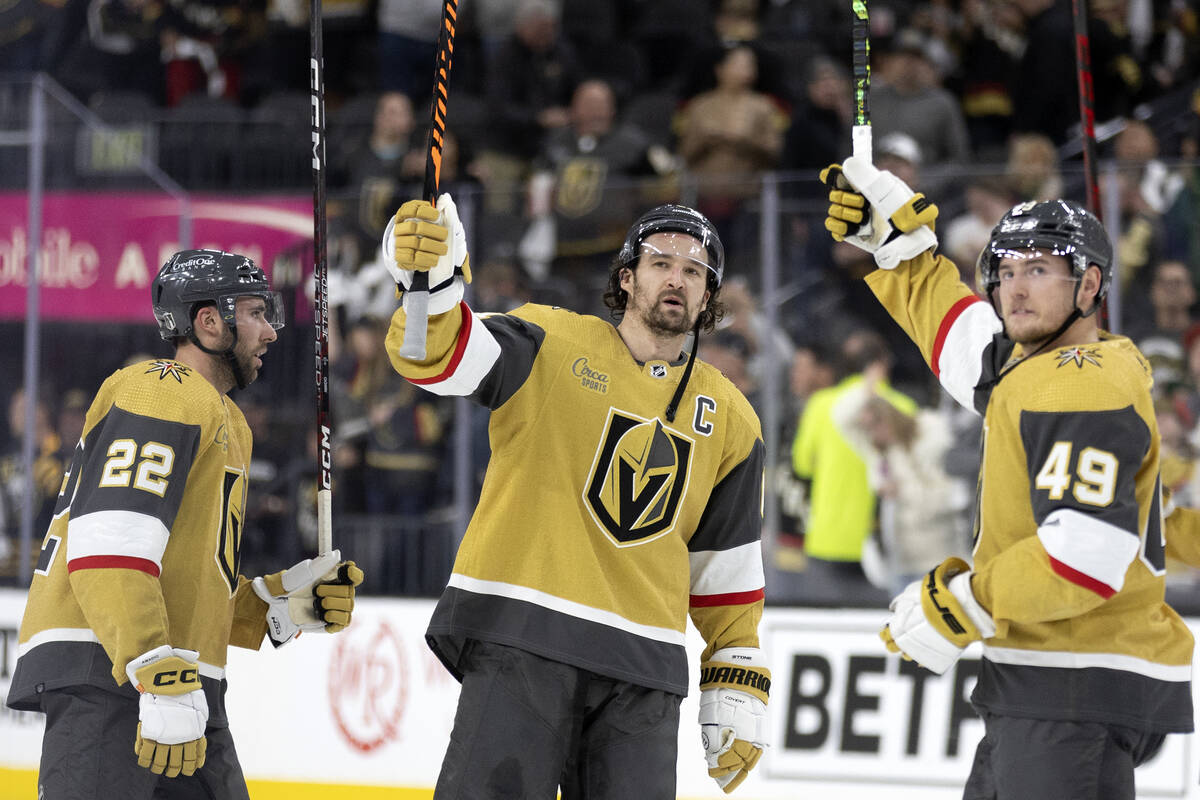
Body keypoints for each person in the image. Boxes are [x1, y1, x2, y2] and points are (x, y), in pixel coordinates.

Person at [822, 156, 1194, 797]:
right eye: (1006, 270)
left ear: (1089, 286)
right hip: (1047, 683)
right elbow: (963, 343)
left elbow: (1085, 557)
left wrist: (965, 602)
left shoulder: (1076, 384)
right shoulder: (1042, 370)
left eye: (1041, 270)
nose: (1015, 289)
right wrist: (898, 248)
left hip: (1070, 684)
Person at [381, 197, 770, 796]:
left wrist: (736, 669)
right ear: (626, 276)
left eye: (695, 272)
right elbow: (441, 361)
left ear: (709, 296)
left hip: (645, 667)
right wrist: (429, 288)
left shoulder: (734, 419)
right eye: (661, 262)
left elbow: (726, 568)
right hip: (524, 636)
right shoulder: (550, 340)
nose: (677, 278)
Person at [5, 249, 364, 796]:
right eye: (255, 313)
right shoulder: (161, 388)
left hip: (176, 680)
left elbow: (193, 577)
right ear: (209, 321)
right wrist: (151, 662)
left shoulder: (226, 420)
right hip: (114, 669)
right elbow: (110, 542)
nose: (270, 331)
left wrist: (283, 605)